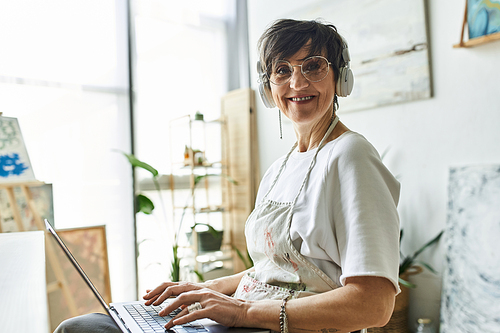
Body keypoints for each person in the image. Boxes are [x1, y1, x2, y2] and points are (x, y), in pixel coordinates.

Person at [55, 19, 400, 333]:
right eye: (282, 70)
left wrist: (242, 312)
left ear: (340, 77)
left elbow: (374, 304)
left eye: (313, 66)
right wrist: (208, 289)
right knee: (88, 325)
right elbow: (275, 271)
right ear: (269, 88)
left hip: (267, 327)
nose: (297, 82)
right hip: (241, 322)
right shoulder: (279, 169)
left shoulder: (350, 155)